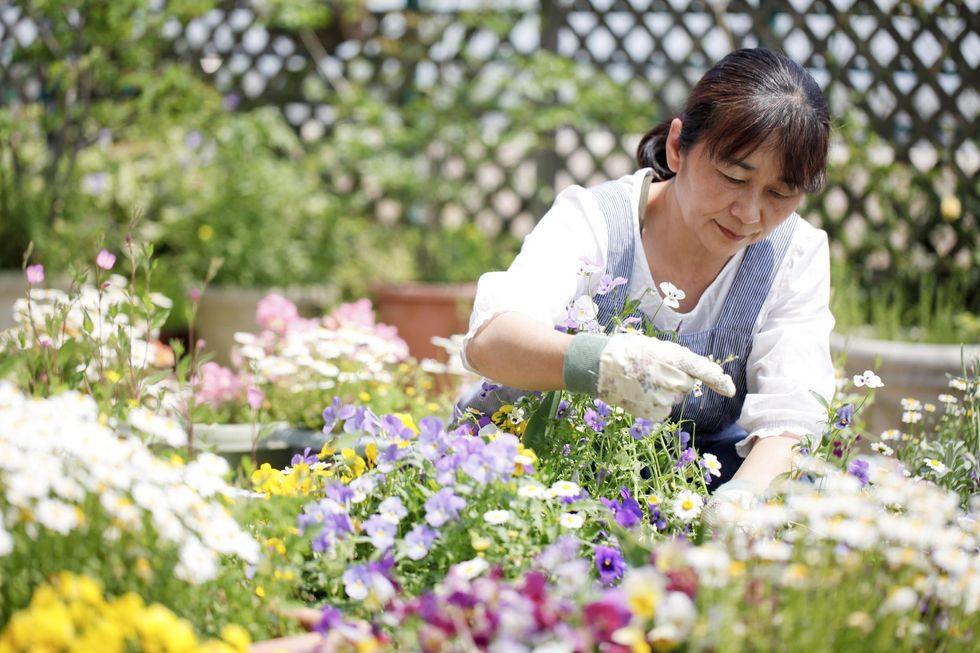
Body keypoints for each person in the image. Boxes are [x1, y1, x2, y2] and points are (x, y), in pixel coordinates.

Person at [457, 48, 836, 511]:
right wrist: (600, 363)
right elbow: (490, 339)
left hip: (680, 478)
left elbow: (790, 420)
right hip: (536, 452)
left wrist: (739, 503)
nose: (751, 214)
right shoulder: (596, 220)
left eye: (781, 193)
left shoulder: (793, 253)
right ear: (678, 147)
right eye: (734, 177)